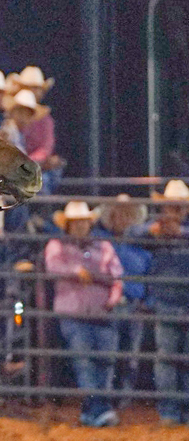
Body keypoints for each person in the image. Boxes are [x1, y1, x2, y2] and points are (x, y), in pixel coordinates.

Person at [45, 201, 123, 427]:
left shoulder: (103, 246)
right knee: (86, 362)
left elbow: (117, 274)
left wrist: (113, 299)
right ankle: (99, 410)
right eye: (75, 223)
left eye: (83, 223)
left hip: (102, 310)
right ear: (68, 225)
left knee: (103, 363)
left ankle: (94, 411)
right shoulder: (57, 245)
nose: (80, 227)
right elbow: (52, 267)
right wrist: (74, 271)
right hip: (75, 312)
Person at [129, 180, 189, 425]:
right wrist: (152, 231)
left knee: (174, 357)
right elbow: (132, 234)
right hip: (166, 300)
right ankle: (171, 411)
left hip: (173, 298)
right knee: (168, 357)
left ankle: (177, 411)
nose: (174, 211)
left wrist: (180, 233)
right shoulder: (156, 228)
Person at [94, 194, 150, 399]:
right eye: (119, 213)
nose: (123, 218)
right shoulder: (99, 239)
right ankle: (108, 395)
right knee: (108, 353)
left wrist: (147, 301)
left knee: (130, 355)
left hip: (134, 304)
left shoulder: (141, 246)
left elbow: (150, 275)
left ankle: (124, 396)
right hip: (107, 303)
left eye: (128, 214)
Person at [10, 67, 63, 195]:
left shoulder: (45, 121)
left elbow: (45, 149)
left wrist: (25, 164)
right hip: (13, 168)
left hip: (35, 168)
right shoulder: (8, 117)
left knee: (41, 184)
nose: (32, 91)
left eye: (36, 88)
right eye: (28, 87)